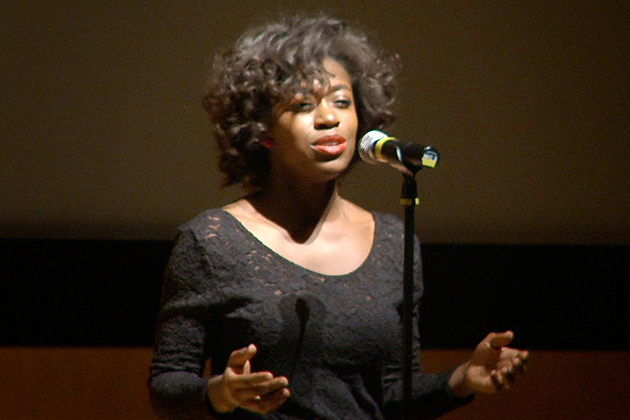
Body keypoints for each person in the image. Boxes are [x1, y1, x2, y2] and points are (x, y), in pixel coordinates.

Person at [149, 15, 529, 420]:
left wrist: (462, 380)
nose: (328, 117)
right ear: (263, 131)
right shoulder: (212, 241)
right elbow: (167, 386)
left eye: (341, 101)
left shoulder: (393, 243)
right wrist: (221, 393)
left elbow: (393, 393)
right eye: (302, 105)